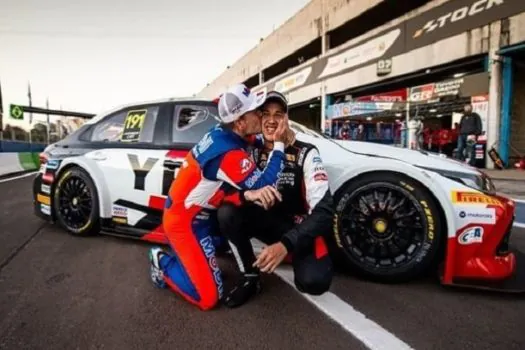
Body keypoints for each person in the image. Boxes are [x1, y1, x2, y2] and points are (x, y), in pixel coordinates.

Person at [147, 83, 290, 311]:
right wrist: (280, 145)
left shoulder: (228, 132)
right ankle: (162, 262)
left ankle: (198, 257)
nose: (261, 113)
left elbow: (254, 141)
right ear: (240, 122)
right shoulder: (228, 154)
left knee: (233, 219)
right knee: (209, 298)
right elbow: (266, 185)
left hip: (204, 215)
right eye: (255, 111)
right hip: (185, 224)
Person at [217, 91, 335, 308]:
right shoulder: (250, 151)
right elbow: (225, 193)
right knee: (226, 211)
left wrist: (285, 244)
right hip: (266, 223)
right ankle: (250, 277)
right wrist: (247, 195)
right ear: (259, 118)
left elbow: (325, 211)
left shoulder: (305, 152)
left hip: (297, 228)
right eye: (266, 114)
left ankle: (287, 253)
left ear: (287, 119)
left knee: (314, 282)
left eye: (278, 114)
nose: (271, 120)